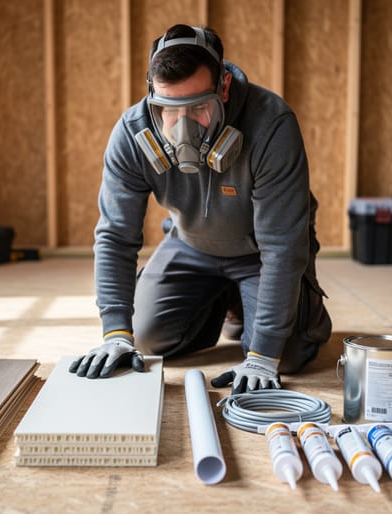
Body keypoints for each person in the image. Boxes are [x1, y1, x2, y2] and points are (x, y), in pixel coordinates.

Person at [69, 24, 331, 393]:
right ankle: (225, 300)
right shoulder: (132, 134)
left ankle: (287, 308)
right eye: (168, 110)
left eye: (198, 108)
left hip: (260, 251)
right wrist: (116, 333)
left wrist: (262, 354)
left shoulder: (271, 124)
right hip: (190, 244)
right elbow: (114, 236)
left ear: (223, 87)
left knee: (285, 356)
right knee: (144, 338)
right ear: (152, 96)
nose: (182, 128)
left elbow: (282, 248)